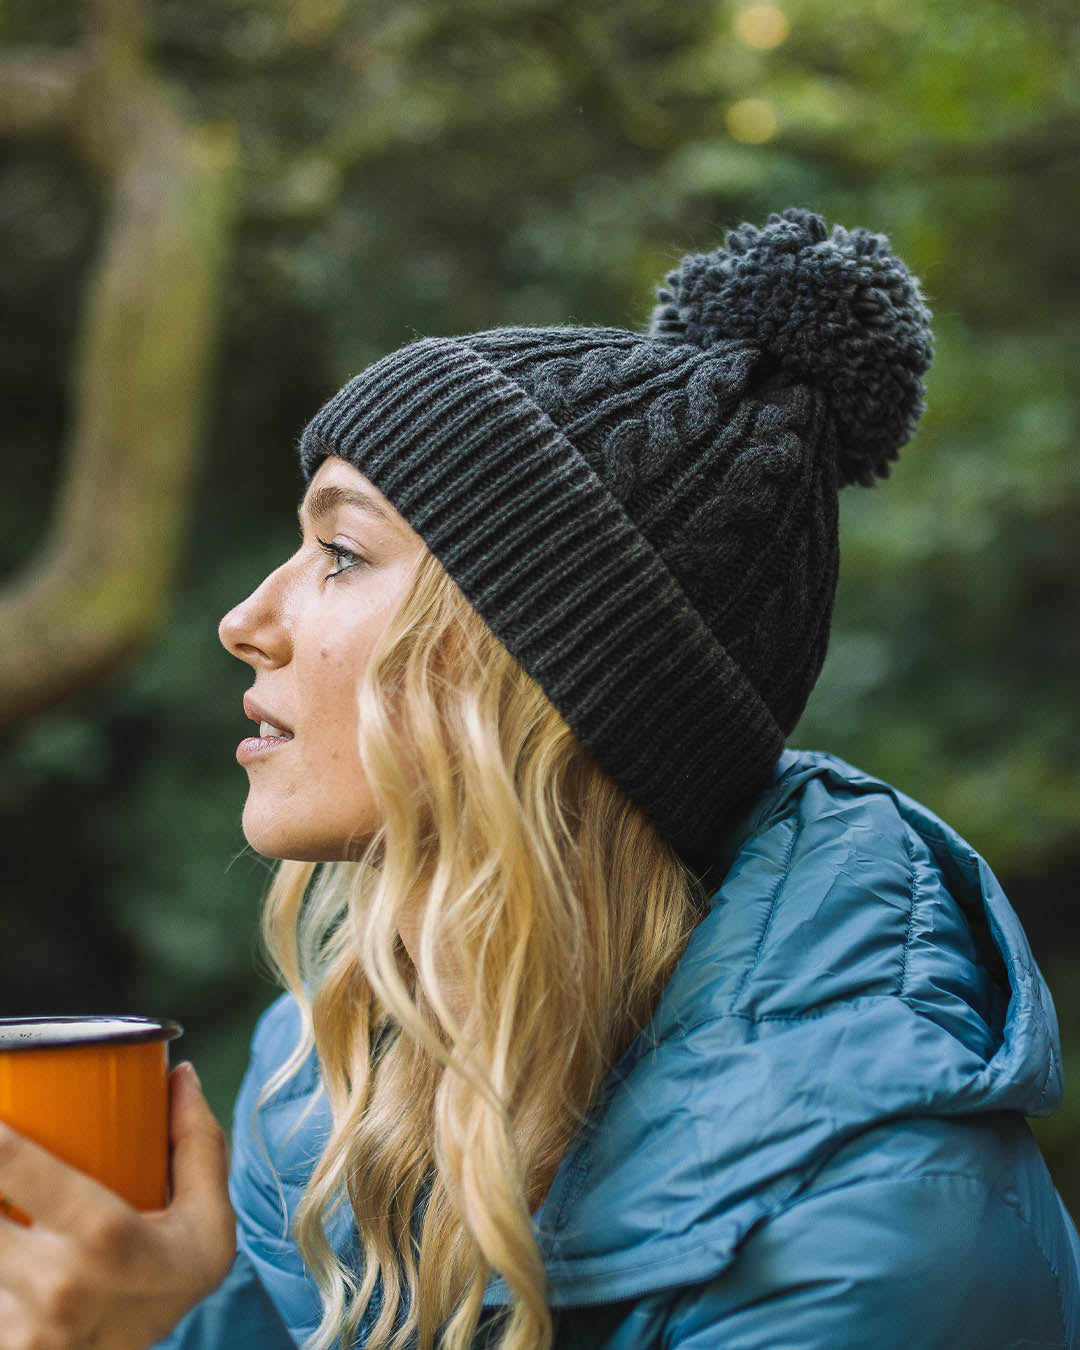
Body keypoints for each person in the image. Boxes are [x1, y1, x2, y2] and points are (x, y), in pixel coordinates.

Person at [0, 207, 1076, 1349]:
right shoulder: (333, 1075)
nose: (244, 621)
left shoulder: (879, 1236)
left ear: (544, 671)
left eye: (342, 553)